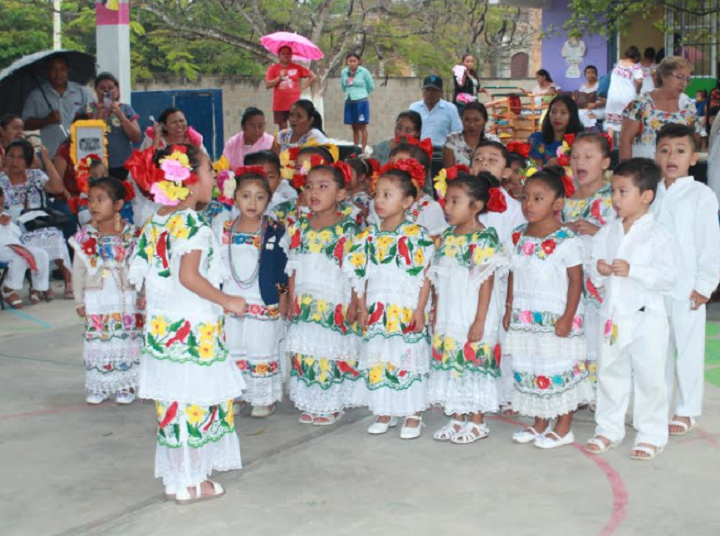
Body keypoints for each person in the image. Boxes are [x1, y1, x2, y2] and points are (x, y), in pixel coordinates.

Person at [127, 143, 247, 504]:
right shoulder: (192, 223)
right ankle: (194, 482)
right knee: (197, 401)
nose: (215, 178)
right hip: (192, 328)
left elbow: (148, 278)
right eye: (210, 172)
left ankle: (178, 477)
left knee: (174, 403)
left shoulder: (157, 220)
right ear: (192, 183)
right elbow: (189, 276)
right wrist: (227, 300)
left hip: (164, 329)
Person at [586, 158, 675, 460]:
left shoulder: (657, 234)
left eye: (623, 192)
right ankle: (608, 429)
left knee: (650, 376)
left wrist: (634, 270)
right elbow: (594, 272)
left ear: (646, 196)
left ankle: (651, 433)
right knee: (611, 373)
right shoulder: (607, 232)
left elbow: (667, 276)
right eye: (613, 191)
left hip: (646, 317)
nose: (615, 199)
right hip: (613, 316)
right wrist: (599, 269)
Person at [345, 159, 435, 439]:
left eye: (388, 195)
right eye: (377, 194)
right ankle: (385, 409)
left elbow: (425, 275)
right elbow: (361, 275)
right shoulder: (368, 236)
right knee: (381, 357)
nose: (379, 201)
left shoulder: (416, 235)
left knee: (406, 357)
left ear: (407, 201)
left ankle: (412, 412)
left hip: (406, 307)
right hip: (377, 308)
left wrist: (421, 309)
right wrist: (360, 306)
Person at [503, 167, 592, 448]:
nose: (529, 204)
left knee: (558, 367)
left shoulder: (567, 240)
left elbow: (576, 281)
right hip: (525, 315)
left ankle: (564, 426)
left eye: (538, 198)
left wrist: (567, 317)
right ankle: (540, 421)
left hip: (556, 317)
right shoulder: (518, 237)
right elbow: (513, 273)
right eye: (525, 197)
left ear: (557, 204)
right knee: (530, 365)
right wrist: (508, 308)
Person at [429, 172, 508, 443]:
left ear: (475, 206)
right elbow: (439, 280)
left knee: (474, 364)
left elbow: (486, 283)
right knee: (452, 363)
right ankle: (456, 417)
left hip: (473, 311)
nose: (447, 207)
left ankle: (477, 420)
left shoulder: (484, 238)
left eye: (455, 201)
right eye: (446, 200)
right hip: (450, 311)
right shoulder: (447, 237)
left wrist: (479, 321)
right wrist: (436, 313)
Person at [652, 123, 720, 437]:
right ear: (655, 154)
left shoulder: (700, 195)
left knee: (688, 349)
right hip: (654, 287)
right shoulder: (650, 193)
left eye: (680, 151)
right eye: (665, 150)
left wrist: (706, 284)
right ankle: (658, 407)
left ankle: (687, 409)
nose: (671, 157)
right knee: (657, 350)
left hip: (688, 288)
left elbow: (709, 242)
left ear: (694, 158)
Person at [281, 163, 360, 426]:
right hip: (305, 300)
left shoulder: (349, 229)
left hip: (334, 300)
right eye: (309, 186)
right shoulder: (298, 228)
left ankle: (331, 403)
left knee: (330, 353)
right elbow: (292, 266)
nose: (314, 192)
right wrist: (291, 298)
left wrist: (355, 304)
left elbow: (356, 272)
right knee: (306, 354)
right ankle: (310, 401)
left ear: (340, 194)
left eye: (323, 187)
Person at [215, 167, 288, 418]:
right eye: (246, 196)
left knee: (260, 346)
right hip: (231, 300)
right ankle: (236, 394)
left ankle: (263, 397)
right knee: (233, 347)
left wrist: (283, 298)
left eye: (260, 197)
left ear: (268, 200)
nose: (252, 203)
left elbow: (283, 267)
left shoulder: (274, 229)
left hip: (262, 299)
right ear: (235, 197)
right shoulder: (223, 229)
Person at [69, 177, 142, 405]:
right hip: (97, 298)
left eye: (100, 200)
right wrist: (79, 300)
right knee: (99, 340)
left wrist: (143, 295)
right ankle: (99, 383)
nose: (93, 205)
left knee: (126, 339)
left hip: (126, 297)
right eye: (91, 200)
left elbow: (141, 268)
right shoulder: (84, 237)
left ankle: (126, 384)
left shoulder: (132, 234)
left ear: (118, 205)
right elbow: (78, 271)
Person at [469, 141, 526, 415]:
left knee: (502, 338)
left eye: (492, 160)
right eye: (478, 158)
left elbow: (515, 251)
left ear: (506, 173)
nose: (484, 163)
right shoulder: (462, 203)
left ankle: (507, 393)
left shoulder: (515, 209)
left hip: (501, 285)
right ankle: (473, 391)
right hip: (469, 285)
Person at [561, 133, 616, 401]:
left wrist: (597, 232)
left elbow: (622, 236)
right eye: (575, 156)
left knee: (597, 335)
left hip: (598, 283)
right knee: (575, 334)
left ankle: (601, 395)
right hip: (569, 283)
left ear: (605, 162)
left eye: (588, 157)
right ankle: (578, 391)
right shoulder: (564, 198)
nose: (580, 162)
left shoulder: (612, 197)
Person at [0, 139, 73, 299]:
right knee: (33, 238)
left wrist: (46, 160)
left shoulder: (35, 175)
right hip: (13, 225)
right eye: (11, 156)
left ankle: (69, 281)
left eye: (20, 157)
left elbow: (57, 188)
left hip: (39, 221)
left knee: (54, 235)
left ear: (28, 160)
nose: (14, 161)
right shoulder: (1, 180)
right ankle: (41, 285)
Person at [620, 57, 701, 160]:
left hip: (676, 168)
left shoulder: (688, 105)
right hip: (645, 168)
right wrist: (626, 172)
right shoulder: (641, 103)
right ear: (664, 76)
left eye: (687, 80)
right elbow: (626, 139)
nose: (684, 84)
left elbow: (695, 139)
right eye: (680, 77)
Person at [22, 56, 94, 157]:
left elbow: (93, 116)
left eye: (62, 69)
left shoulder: (82, 92)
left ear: (67, 70)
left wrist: (83, 118)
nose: (58, 74)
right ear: (47, 72)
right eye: (53, 69)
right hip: (49, 155)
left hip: (78, 153)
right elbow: (24, 125)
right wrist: (47, 120)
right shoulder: (36, 96)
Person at [0, 185, 51, 309]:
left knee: (41, 254)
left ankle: (37, 287)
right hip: (2, 250)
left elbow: (18, 233)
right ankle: (8, 288)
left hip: (15, 246)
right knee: (20, 257)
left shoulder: (4, 214)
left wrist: (7, 225)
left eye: (1, 204)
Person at [86, 72, 142, 180]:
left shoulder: (126, 109)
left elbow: (136, 137)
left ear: (117, 90)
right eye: (102, 88)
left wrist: (121, 116)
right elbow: (82, 136)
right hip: (94, 165)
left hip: (121, 164)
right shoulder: (87, 109)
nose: (107, 91)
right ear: (96, 91)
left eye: (111, 88)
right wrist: (98, 119)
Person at [265, 46, 317, 130]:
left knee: (296, 125)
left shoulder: (297, 67)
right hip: (279, 104)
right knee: (283, 127)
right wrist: (279, 78)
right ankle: (284, 143)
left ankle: (295, 142)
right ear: (279, 56)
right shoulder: (273, 68)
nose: (286, 55)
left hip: (295, 104)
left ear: (291, 55)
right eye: (283, 53)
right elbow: (268, 84)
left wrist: (303, 87)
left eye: (288, 53)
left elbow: (313, 76)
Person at [528, 94, 583, 167]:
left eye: (563, 113)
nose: (557, 116)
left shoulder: (580, 141)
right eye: (553, 112)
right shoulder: (537, 139)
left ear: (572, 116)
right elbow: (535, 170)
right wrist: (547, 167)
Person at [442, 102, 500, 168]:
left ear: (485, 121)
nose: (471, 124)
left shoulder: (493, 141)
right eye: (467, 120)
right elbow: (449, 172)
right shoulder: (452, 140)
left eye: (476, 120)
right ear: (461, 120)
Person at [409, 76, 462, 147]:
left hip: (442, 152)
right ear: (422, 91)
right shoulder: (414, 107)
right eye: (427, 90)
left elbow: (458, 133)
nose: (430, 93)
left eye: (434, 90)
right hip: (419, 151)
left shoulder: (450, 108)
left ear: (441, 92)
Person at [605, 46, 643, 135]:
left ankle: (609, 144)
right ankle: (623, 144)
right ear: (636, 57)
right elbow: (639, 81)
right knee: (627, 122)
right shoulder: (636, 68)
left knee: (611, 122)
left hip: (613, 97)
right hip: (627, 98)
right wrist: (638, 90)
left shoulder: (619, 63)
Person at [341, 53, 375, 154]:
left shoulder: (364, 71)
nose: (352, 63)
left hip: (361, 101)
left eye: (354, 61)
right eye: (350, 61)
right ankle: (355, 149)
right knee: (354, 126)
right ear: (347, 62)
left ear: (358, 61)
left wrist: (363, 94)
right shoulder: (344, 72)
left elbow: (371, 86)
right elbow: (343, 86)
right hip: (349, 100)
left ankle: (363, 150)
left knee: (362, 126)